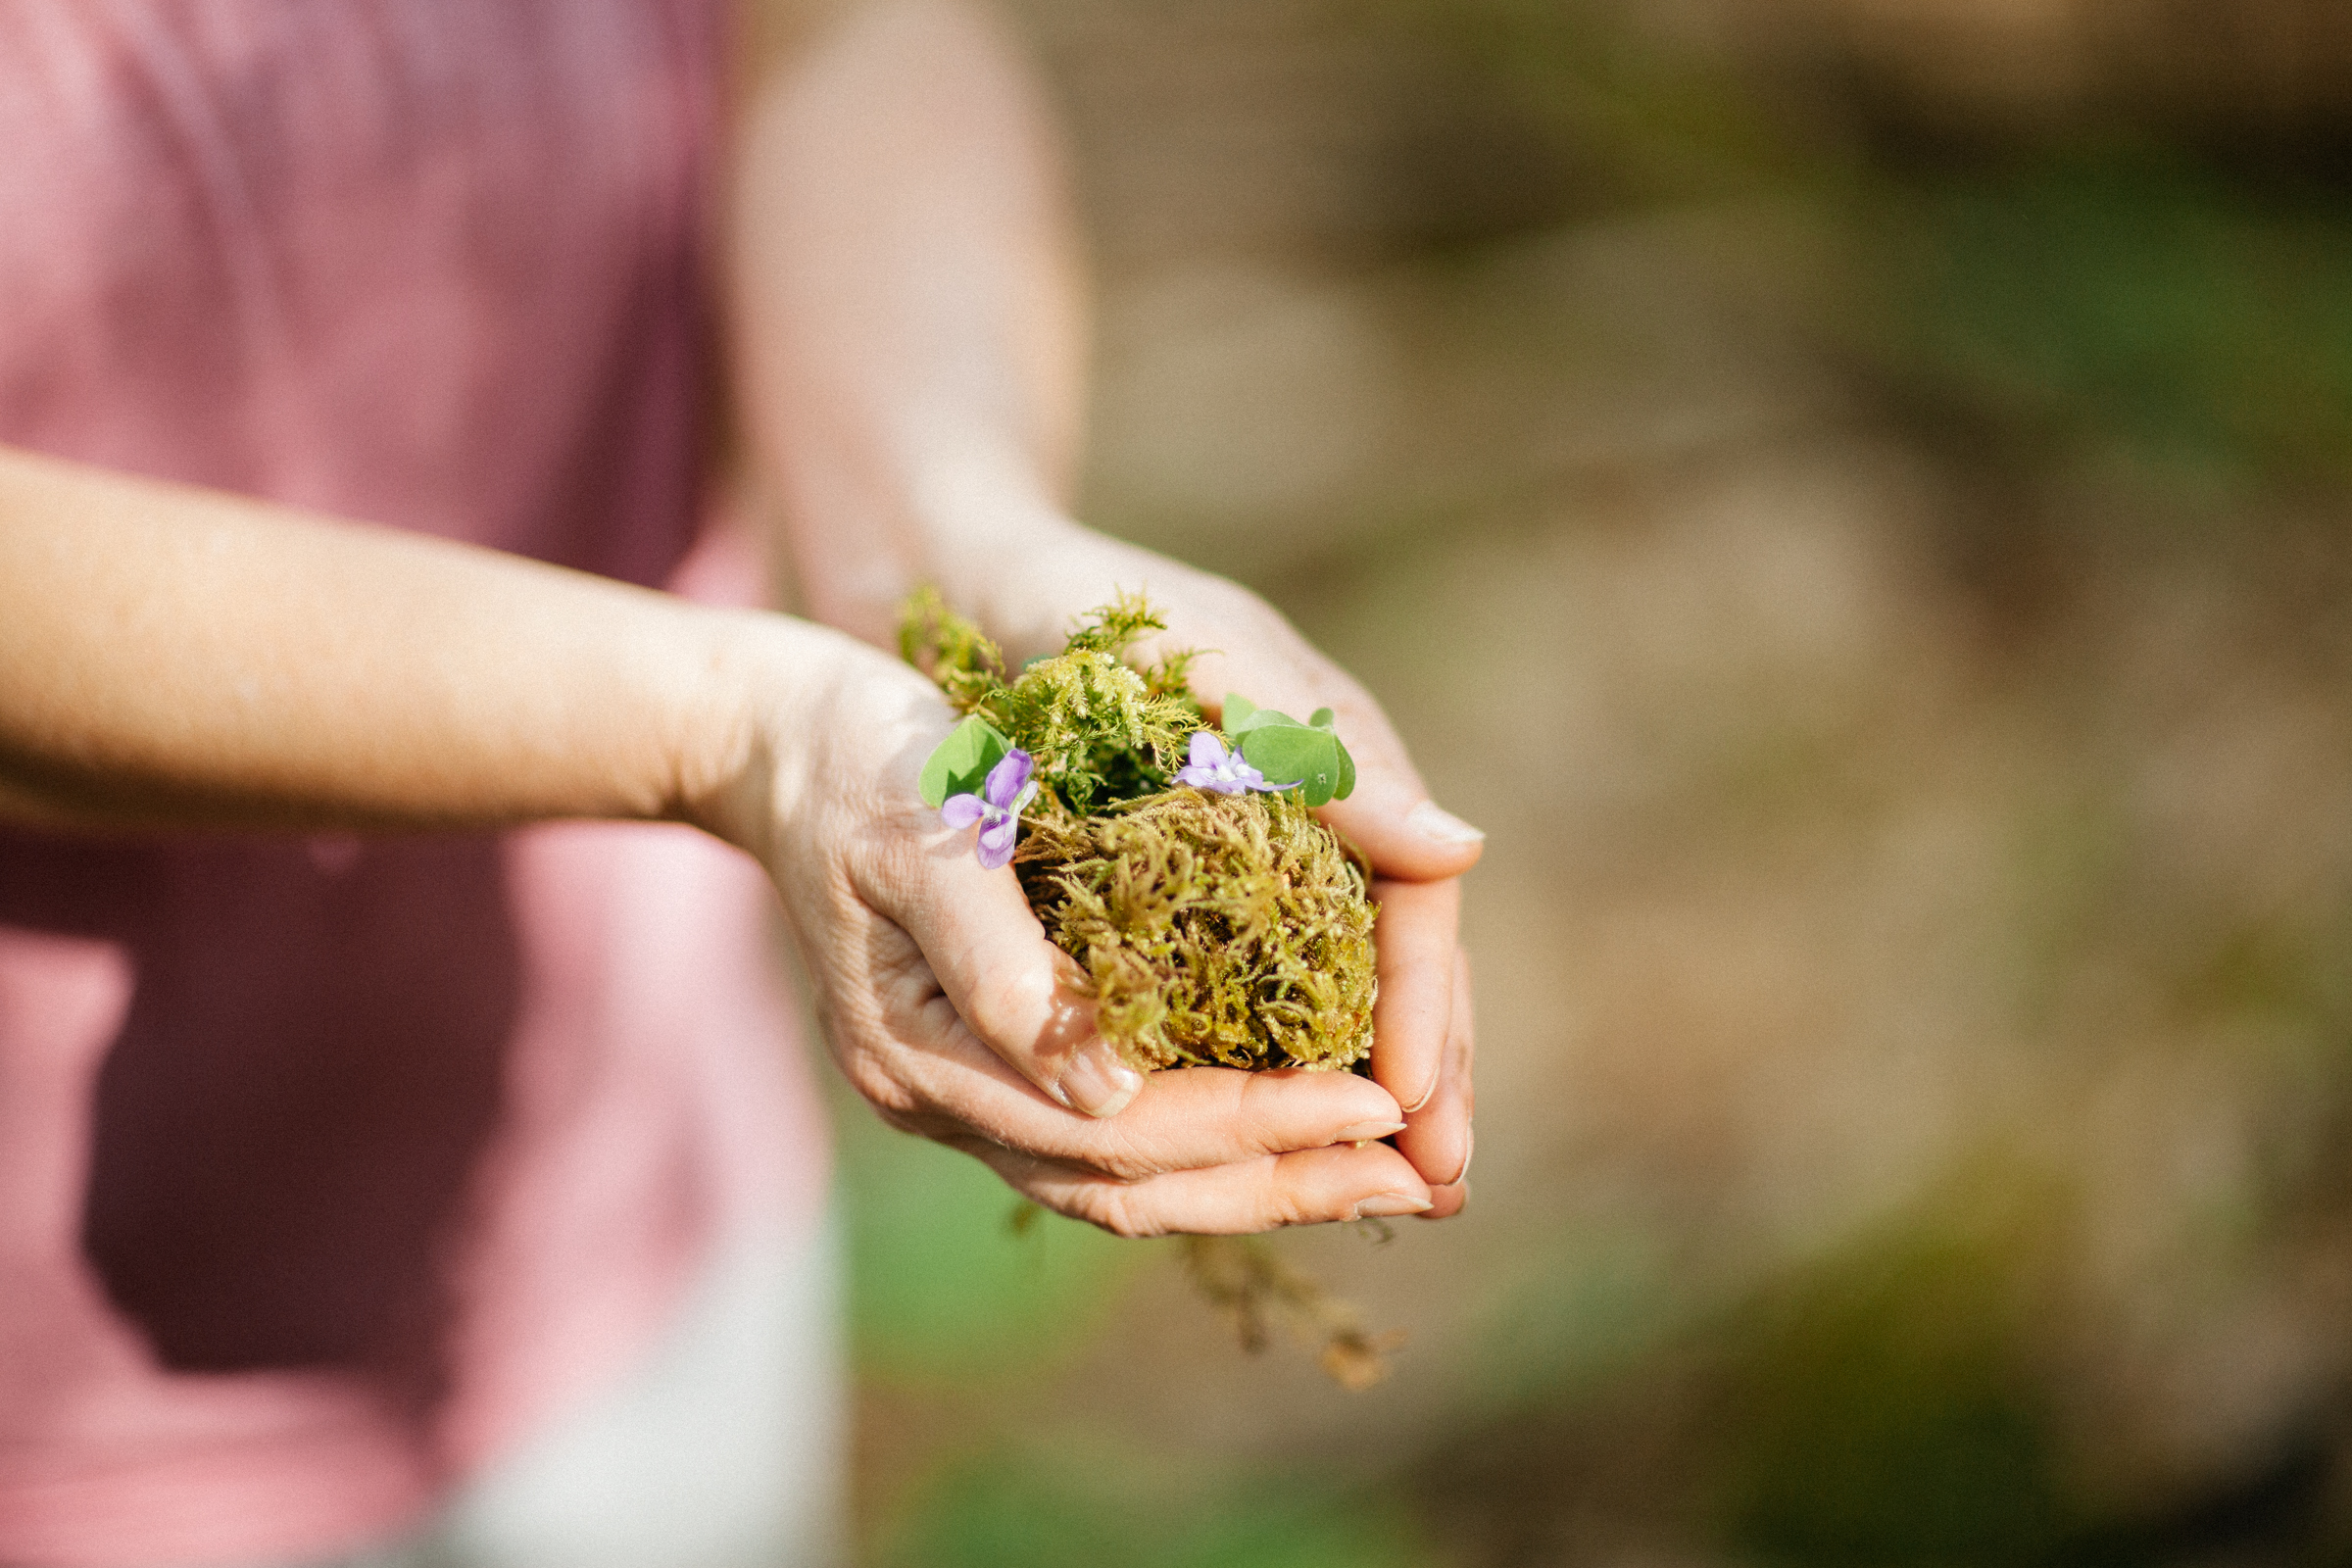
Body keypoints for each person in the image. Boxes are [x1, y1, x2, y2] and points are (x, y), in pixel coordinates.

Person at [0, 1, 1480, 1564]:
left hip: (644, 1186)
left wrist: (957, 545)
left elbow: (843, 34)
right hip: (73, 1378)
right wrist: (730, 729)